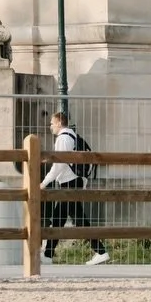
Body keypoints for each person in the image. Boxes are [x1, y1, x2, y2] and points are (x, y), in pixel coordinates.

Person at [40, 110, 107, 265]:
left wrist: (45, 182)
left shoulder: (63, 138)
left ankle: (101, 251)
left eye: (51, 123)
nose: (50, 127)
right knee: (58, 219)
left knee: (78, 218)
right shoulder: (72, 136)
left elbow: (59, 164)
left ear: (58, 122)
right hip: (71, 181)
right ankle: (48, 256)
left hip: (70, 182)